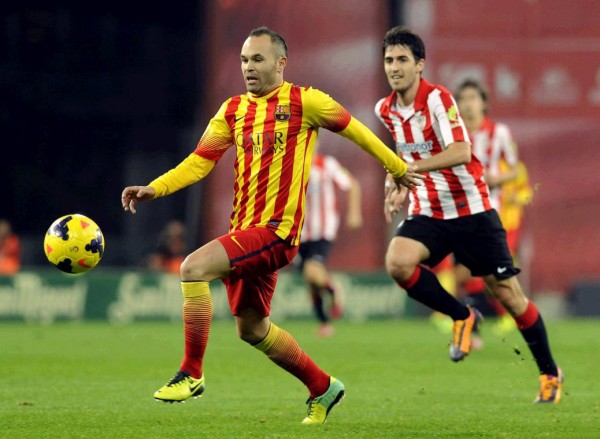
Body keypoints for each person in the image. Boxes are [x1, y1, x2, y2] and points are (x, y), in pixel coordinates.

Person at [121, 26, 422, 424]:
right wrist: (155, 189)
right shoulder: (232, 111)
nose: (248, 67)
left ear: (281, 63)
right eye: (244, 59)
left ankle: (191, 372)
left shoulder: (305, 101)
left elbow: (359, 132)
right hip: (244, 232)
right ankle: (323, 386)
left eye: (258, 59)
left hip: (277, 232)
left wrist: (398, 167)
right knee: (252, 329)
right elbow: (199, 162)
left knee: (192, 268)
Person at [375, 26, 562, 404]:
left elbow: (461, 151)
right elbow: (404, 159)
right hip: (429, 210)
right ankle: (463, 316)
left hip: (472, 211)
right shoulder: (386, 110)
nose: (394, 67)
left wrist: (409, 170)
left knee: (508, 295)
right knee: (397, 262)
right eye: (389, 60)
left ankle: (549, 372)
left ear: (419, 65)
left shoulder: (438, 99)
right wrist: (395, 184)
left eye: (402, 60)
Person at [454, 79, 533, 342]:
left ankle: (511, 321)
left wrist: (491, 178)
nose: (468, 104)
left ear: (483, 103)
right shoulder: (453, 134)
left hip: (490, 212)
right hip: (457, 212)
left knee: (486, 274)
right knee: (468, 273)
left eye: (473, 98)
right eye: (463, 98)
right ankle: (475, 327)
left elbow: (514, 169)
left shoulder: (499, 133)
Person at [296, 142, 363, 337]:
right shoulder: (289, 167)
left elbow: (352, 184)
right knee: (311, 282)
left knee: (311, 272)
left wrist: (354, 213)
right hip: (298, 233)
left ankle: (333, 288)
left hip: (322, 230)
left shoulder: (327, 164)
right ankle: (324, 323)